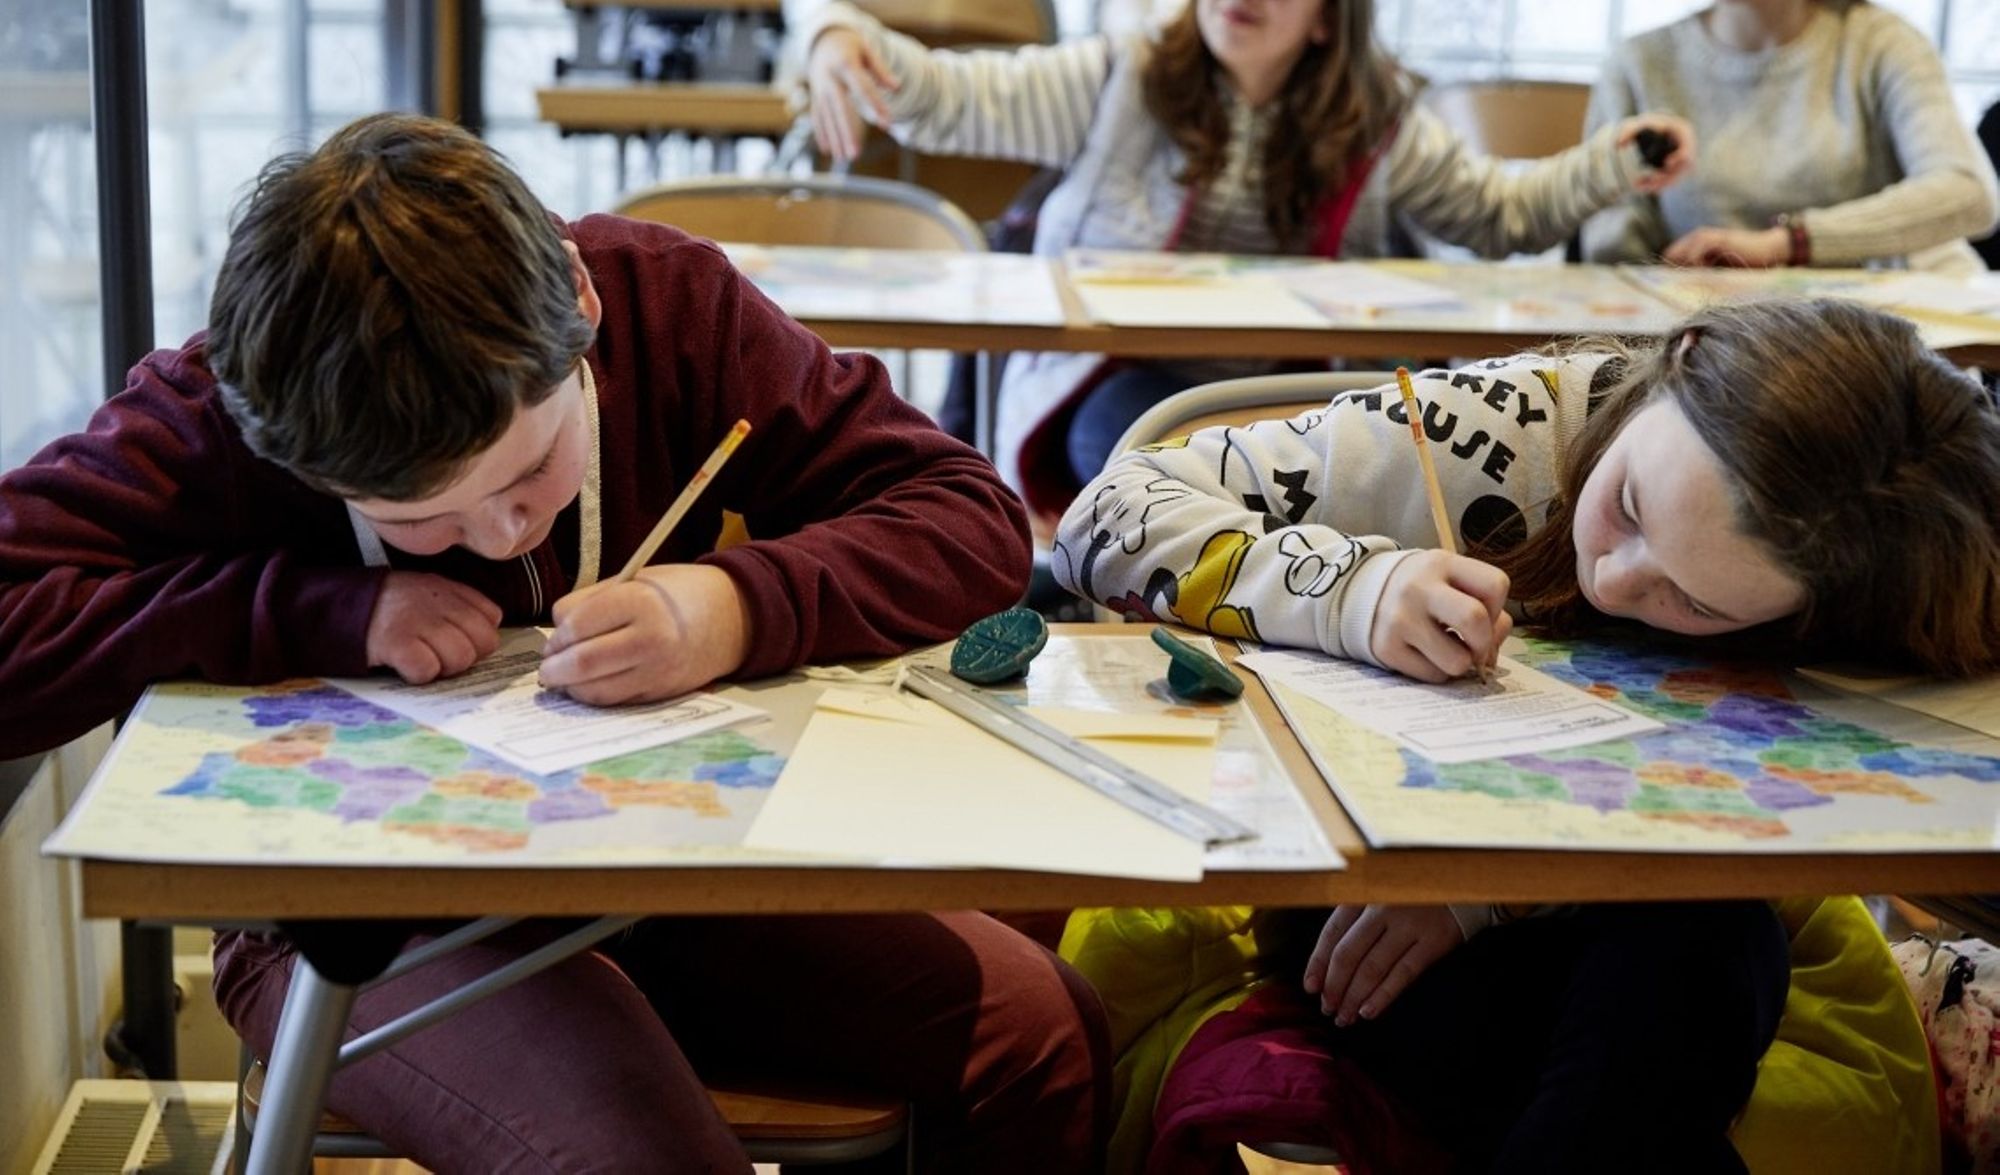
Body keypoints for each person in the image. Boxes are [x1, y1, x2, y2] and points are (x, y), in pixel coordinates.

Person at [0, 114, 1108, 1173]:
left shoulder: (664, 301)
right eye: (419, 520)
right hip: (354, 919)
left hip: (666, 866)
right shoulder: (227, 410)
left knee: (1039, 1036)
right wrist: (309, 606)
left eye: (531, 469)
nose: (502, 533)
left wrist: (731, 606)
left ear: (579, 298)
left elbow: (967, 515)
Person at [1053, 297, 2000, 1169]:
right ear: (1679, 358)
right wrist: (1355, 592)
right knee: (1673, 1027)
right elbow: (1101, 518)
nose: (1613, 580)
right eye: (1628, 507)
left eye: (1698, 601)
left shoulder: (1872, 558)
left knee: (1709, 943)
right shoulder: (1492, 429)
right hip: (1378, 881)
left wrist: (1506, 898)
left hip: (1659, 889)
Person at [797, 0, 1695, 525]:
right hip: (1123, 379)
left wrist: (1611, 166)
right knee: (1133, 449)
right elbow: (944, 97)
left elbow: (1499, 217)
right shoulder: (1119, 78)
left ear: (1326, 20)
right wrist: (835, 32)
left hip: (1296, 390)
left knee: (1351, 468)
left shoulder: (1377, 120)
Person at [1584, 0, 2000, 273]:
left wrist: (1787, 244)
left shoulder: (1882, 42)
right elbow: (1612, 245)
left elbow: (1969, 193)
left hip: (1870, 332)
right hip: (1709, 337)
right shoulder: (1637, 63)